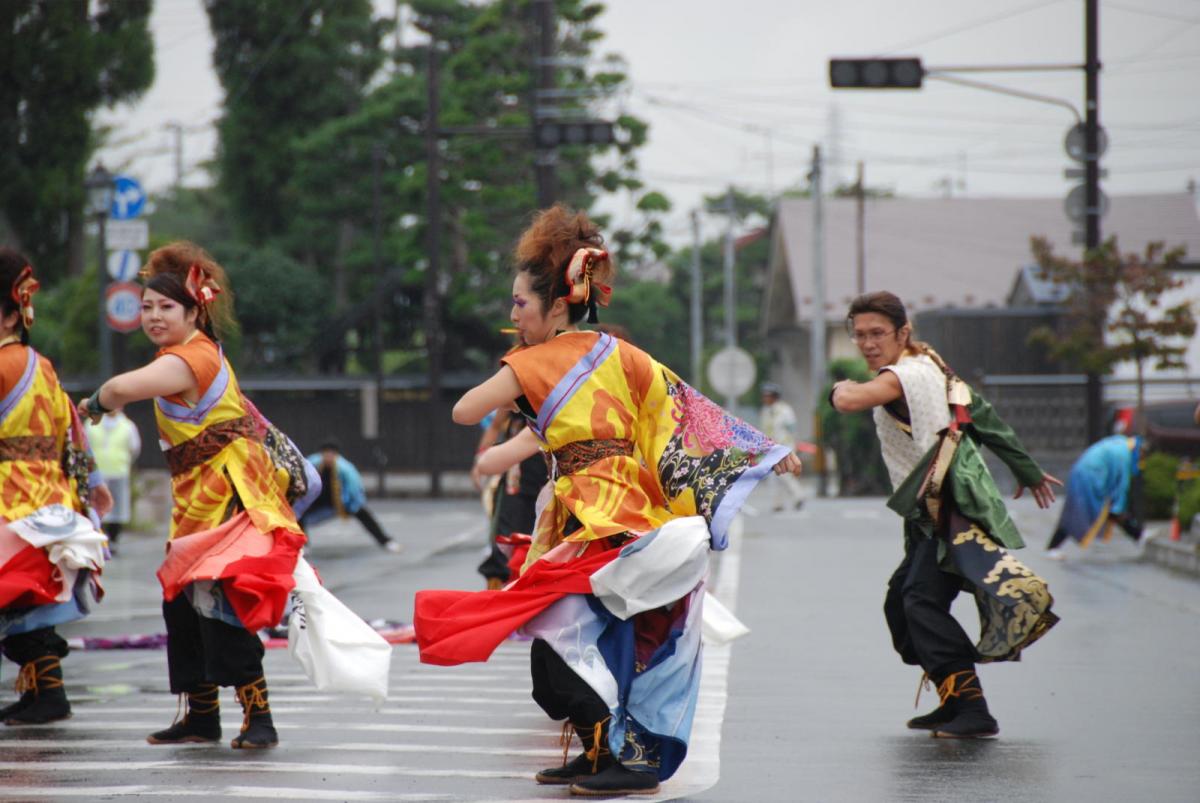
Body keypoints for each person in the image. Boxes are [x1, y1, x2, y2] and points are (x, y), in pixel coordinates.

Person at [415, 206, 801, 796]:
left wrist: (521, 376)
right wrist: (764, 450)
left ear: (558, 302)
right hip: (620, 512)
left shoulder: (538, 361)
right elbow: (687, 408)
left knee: (570, 633)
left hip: (600, 518)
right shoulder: (620, 355)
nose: (514, 316)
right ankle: (603, 748)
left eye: (520, 304)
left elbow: (464, 409)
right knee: (599, 634)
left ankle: (621, 753)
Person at [80, 242, 311, 749]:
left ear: (193, 312)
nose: (154, 316)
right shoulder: (179, 355)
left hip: (228, 495)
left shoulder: (194, 357)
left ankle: (260, 715)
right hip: (196, 501)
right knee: (183, 603)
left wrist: (95, 402)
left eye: (166, 307)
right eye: (146, 307)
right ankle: (202, 715)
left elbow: (120, 390)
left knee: (222, 600)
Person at [831, 291, 1060, 739]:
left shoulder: (904, 376)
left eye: (877, 333)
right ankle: (954, 699)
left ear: (903, 333)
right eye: (859, 335)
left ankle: (973, 710)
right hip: (930, 512)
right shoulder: (935, 369)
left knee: (920, 600)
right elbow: (983, 416)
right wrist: (1026, 469)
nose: (868, 343)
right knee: (903, 603)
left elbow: (853, 400)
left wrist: (838, 388)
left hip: (952, 511)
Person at [0, 249, 111, 726]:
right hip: (51, 498)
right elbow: (73, 431)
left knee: (16, 595)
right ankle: (45, 690)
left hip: (10, 498)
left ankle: (47, 693)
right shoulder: (41, 365)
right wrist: (93, 485)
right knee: (26, 599)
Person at [471, 409, 548, 589]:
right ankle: (498, 598)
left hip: (551, 479)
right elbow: (495, 425)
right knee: (504, 547)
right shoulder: (518, 389)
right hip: (516, 481)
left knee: (545, 550)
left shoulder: (564, 392)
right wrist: (480, 458)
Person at [1045, 434, 1146, 559]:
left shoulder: (1120, 443)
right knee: (1080, 513)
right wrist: (1118, 506)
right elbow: (1121, 485)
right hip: (1089, 478)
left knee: (1079, 512)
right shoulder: (1124, 454)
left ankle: (1138, 535)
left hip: (1083, 473)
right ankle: (1139, 535)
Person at [300, 440, 401, 553]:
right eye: (326, 454)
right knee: (298, 514)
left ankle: (386, 541)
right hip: (318, 499)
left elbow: (355, 488)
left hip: (343, 500)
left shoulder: (345, 469)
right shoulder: (312, 463)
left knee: (364, 515)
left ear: (336, 455)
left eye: (331, 454)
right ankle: (303, 545)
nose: (328, 457)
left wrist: (354, 504)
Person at [84, 408, 141, 553]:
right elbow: (83, 445)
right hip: (96, 473)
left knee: (118, 507)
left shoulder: (128, 425)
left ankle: (114, 539)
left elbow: (134, 448)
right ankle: (98, 537)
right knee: (96, 506)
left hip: (118, 471)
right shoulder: (91, 423)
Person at [759, 382, 805, 511]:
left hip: (785, 446)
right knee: (773, 477)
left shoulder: (785, 410)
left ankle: (799, 496)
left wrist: (795, 445)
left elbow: (792, 428)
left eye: (768, 396)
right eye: (764, 396)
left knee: (785, 474)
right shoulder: (765, 411)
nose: (765, 398)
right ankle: (777, 503)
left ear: (775, 396)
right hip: (771, 448)